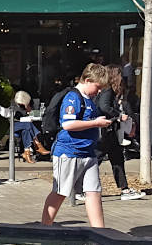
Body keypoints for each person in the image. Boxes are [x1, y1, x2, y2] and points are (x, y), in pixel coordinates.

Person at [40, 62, 112, 229]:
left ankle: (100, 231)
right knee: (60, 192)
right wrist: (95, 123)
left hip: (88, 152)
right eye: (97, 87)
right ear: (87, 80)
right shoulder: (73, 97)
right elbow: (68, 125)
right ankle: (44, 227)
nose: (99, 91)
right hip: (69, 151)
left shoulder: (89, 99)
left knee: (94, 192)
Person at [96, 65, 143, 199]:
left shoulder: (104, 90)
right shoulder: (108, 91)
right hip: (107, 130)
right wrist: (118, 115)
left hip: (108, 130)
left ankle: (125, 189)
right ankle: (80, 187)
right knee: (98, 158)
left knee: (116, 158)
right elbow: (104, 106)